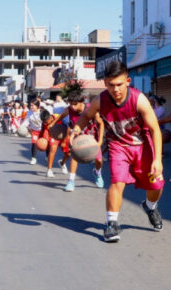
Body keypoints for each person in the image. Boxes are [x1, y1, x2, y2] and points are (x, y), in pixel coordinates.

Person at [71, 61, 165, 242]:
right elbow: (86, 116)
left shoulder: (139, 99)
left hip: (143, 146)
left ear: (128, 81)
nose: (116, 89)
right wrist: (76, 130)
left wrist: (157, 160)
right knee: (117, 182)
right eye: (111, 85)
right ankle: (111, 224)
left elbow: (155, 130)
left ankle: (150, 206)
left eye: (120, 84)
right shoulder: (101, 100)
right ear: (105, 83)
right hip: (118, 146)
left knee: (156, 185)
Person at [59, 90, 105, 191]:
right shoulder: (69, 110)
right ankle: (71, 181)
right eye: (70, 104)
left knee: (99, 160)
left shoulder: (90, 109)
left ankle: (97, 173)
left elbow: (101, 124)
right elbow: (61, 117)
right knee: (74, 158)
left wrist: (100, 141)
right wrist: (53, 124)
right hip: (78, 137)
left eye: (75, 104)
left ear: (82, 102)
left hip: (92, 137)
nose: (72, 107)